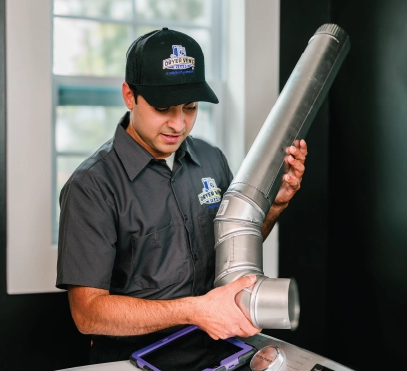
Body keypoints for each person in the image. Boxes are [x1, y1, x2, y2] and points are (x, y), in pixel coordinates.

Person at [56, 28, 308, 363]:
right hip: (136, 361)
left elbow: (234, 247)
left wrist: (275, 206)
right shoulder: (92, 186)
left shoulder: (211, 159)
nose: (179, 124)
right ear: (129, 96)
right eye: (164, 108)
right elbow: (87, 314)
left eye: (190, 108)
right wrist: (196, 310)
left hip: (222, 352)